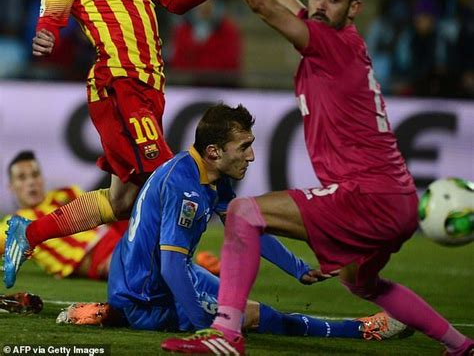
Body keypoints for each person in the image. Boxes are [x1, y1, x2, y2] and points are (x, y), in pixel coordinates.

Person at [161, 0, 474, 355]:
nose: (321, 4)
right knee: (362, 284)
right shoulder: (334, 38)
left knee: (244, 212)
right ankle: (459, 343)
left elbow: (265, 5)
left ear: (355, 9)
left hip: (365, 196)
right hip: (397, 201)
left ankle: (225, 334)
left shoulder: (331, 44)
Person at [3, 0, 229, 289]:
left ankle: (29, 233)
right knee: (169, 176)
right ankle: (177, 278)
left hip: (151, 87)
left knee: (121, 201)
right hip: (117, 85)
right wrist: (44, 39)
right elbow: (50, 21)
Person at [57, 103, 410, 342]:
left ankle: (114, 312)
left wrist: (298, 268)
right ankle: (361, 329)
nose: (252, 156)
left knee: (231, 301)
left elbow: (247, 226)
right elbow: (171, 267)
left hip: (144, 278)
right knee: (254, 315)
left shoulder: (205, 173)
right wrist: (204, 329)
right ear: (214, 151)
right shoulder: (187, 190)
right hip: (149, 296)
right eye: (243, 147)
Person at [0, 151, 127, 281]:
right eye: (22, 177)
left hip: (118, 235)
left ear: (42, 179)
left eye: (35, 175)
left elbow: (106, 213)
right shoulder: (14, 223)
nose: (31, 182)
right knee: (133, 267)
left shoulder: (66, 194)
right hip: (97, 257)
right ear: (11, 186)